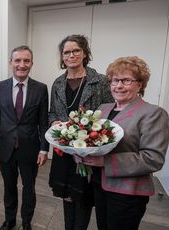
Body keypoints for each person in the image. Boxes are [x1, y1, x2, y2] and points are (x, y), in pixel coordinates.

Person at [82, 56, 169, 230]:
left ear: (140, 84)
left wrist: (104, 162)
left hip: (128, 192)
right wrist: (82, 152)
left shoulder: (153, 113)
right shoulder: (103, 109)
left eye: (126, 80)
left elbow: (153, 158)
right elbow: (92, 141)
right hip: (99, 184)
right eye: (115, 80)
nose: (119, 85)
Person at [48, 34, 114, 230]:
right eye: (66, 52)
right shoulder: (57, 83)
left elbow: (110, 114)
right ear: (62, 57)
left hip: (88, 151)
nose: (71, 55)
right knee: (67, 196)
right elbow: (52, 112)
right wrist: (55, 123)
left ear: (85, 53)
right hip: (64, 149)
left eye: (76, 50)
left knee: (84, 198)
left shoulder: (100, 81)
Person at [0, 45, 49, 230]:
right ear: (10, 63)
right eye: (17, 60)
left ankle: (26, 222)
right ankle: (9, 220)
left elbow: (44, 121)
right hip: (5, 146)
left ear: (32, 63)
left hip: (30, 148)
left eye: (26, 60)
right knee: (9, 187)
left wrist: (44, 148)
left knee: (29, 189)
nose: (21, 65)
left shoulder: (41, 88)